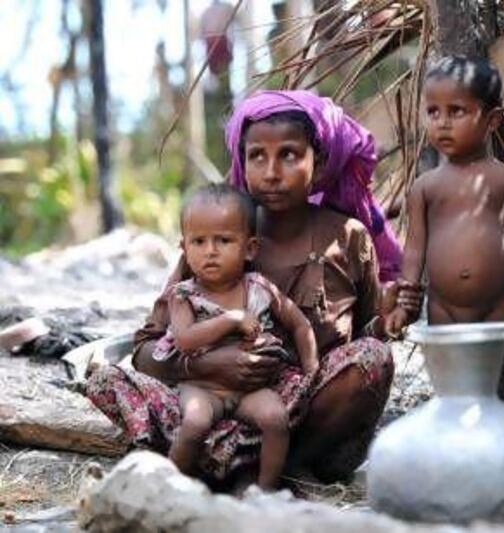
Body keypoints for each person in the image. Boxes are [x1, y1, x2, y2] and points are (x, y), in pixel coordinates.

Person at [87, 90, 421, 486]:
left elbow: (366, 338)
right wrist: (211, 364)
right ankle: (214, 464)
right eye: (257, 155)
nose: (271, 172)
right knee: (106, 379)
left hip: (300, 420)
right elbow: (146, 351)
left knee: (372, 358)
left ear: (320, 161)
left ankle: (282, 470)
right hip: (207, 410)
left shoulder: (348, 239)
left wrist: (391, 318)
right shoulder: (218, 235)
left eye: (290, 155)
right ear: (242, 161)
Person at [159, 184, 317, 489]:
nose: (211, 251)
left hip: (250, 389)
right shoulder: (184, 296)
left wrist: (311, 369)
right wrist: (232, 319)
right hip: (202, 387)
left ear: (250, 248)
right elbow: (185, 340)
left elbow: (299, 324)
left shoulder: (258, 288)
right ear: (184, 249)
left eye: (224, 240)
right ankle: (169, 487)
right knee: (194, 424)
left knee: (276, 420)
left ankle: (265, 491)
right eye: (199, 241)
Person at [386, 56, 504, 336]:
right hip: (442, 308)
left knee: (497, 376)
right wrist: (404, 304)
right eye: (433, 112)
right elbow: (414, 250)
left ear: (492, 120)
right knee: (451, 376)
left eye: (456, 111)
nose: (442, 123)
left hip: (496, 306)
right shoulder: (425, 187)